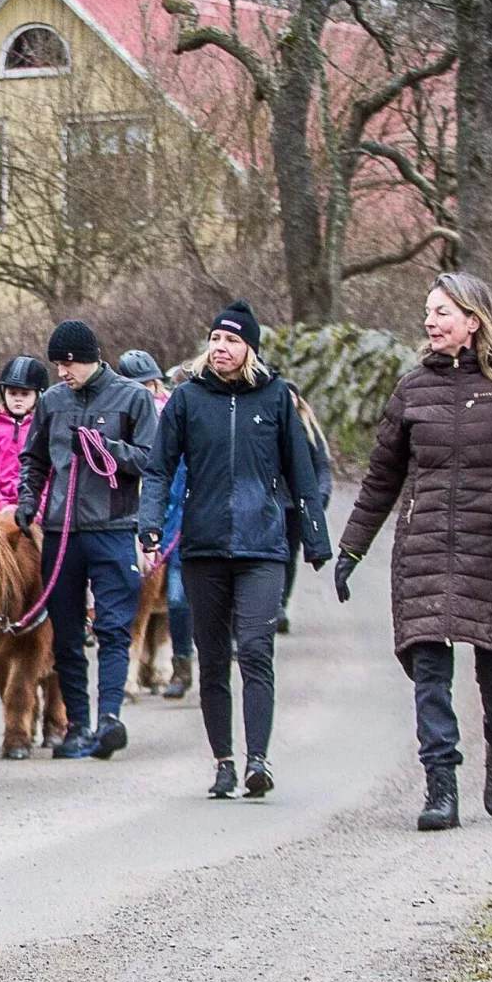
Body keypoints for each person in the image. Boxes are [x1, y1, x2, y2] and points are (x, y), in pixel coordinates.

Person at [335, 272, 492, 831]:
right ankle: (441, 788)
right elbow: (381, 479)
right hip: (425, 549)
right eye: (428, 312)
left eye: (442, 312)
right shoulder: (411, 391)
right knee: (430, 674)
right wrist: (351, 550)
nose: (430, 322)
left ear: (472, 322)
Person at [138, 301, 331, 798]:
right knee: (214, 656)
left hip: (262, 547)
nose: (221, 348)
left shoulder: (275, 399)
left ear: (250, 349)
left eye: (232, 341)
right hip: (203, 547)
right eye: (216, 339)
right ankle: (224, 761)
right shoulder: (187, 400)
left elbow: (301, 474)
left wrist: (314, 538)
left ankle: (258, 761)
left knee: (257, 652)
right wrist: (150, 528)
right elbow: (159, 469)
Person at [15, 321, 157, 759]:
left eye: (68, 363)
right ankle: (76, 723)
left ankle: (109, 717)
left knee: (114, 628)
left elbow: (152, 461)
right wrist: (28, 500)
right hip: (61, 533)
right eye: (57, 364)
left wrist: (107, 448)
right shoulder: (52, 403)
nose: (61, 372)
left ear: (91, 358)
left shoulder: (134, 399)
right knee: (66, 634)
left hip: (113, 529)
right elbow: (34, 459)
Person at [117, 349, 194, 697]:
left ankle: (172, 659)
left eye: (146, 387)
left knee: (175, 593)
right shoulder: (118, 417)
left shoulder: (172, 417)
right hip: (129, 513)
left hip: (170, 515)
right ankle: (142, 663)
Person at [276, 382, 334, 634]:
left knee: (288, 556)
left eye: (292, 398)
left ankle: (280, 604)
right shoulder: (266, 427)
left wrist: (318, 499)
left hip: (295, 507)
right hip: (271, 504)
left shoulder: (309, 431)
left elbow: (322, 467)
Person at [0, 355, 48, 514]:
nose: (18, 399)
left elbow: (54, 477)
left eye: (25, 394)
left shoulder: (45, 430)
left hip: (37, 514)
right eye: (13, 393)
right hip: (0, 513)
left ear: (38, 395)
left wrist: (37, 507)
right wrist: (0, 505)